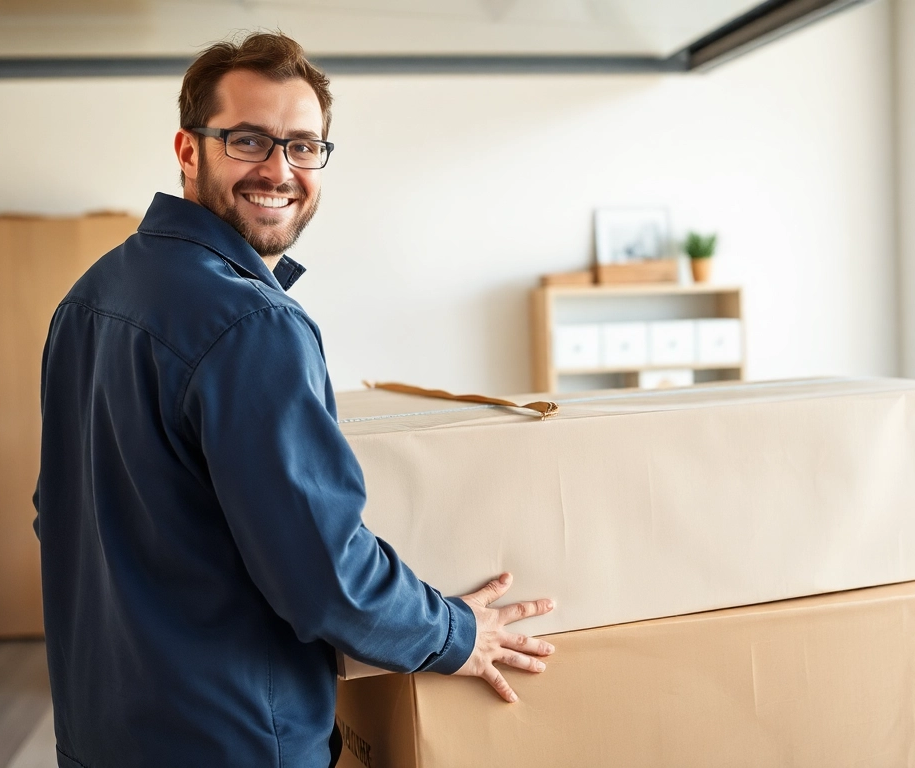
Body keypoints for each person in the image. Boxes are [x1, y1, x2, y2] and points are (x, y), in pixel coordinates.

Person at [32, 32, 554, 768]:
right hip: (228, 743)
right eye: (248, 140)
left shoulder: (89, 296)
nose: (279, 170)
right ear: (189, 151)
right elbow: (325, 578)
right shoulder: (252, 324)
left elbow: (57, 517)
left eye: (305, 146)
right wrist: (457, 633)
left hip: (100, 735)